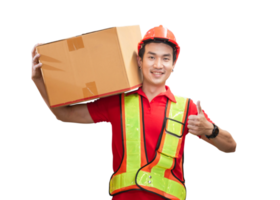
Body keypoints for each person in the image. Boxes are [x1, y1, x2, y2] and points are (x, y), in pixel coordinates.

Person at [30, 23, 237, 200]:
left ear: (174, 64)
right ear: (140, 60)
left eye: (165, 58)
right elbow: (64, 115)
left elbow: (231, 147)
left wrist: (211, 130)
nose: (158, 65)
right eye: (151, 57)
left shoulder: (188, 107)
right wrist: (38, 81)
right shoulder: (116, 100)